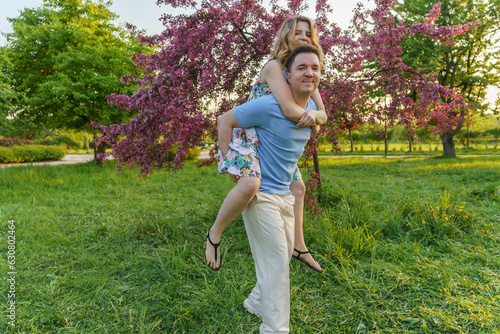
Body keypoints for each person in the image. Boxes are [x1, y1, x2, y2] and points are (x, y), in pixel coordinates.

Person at [205, 16, 327, 273]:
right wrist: (229, 161)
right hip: (250, 137)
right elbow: (290, 110)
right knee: (250, 184)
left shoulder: (305, 69)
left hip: (272, 140)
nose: (304, 37)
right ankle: (215, 234)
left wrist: (317, 117)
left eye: (309, 34)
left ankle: (299, 245)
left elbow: (323, 114)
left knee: (298, 188)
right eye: (299, 32)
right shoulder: (275, 66)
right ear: (286, 36)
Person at [218, 44, 323, 333]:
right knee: (277, 262)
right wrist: (234, 166)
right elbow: (223, 121)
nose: (309, 73)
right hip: (260, 195)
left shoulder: (313, 109)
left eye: (314, 68)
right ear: (286, 76)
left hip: (285, 196)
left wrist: (318, 117)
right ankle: (275, 329)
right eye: (301, 67)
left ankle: (256, 300)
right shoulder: (268, 105)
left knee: (283, 254)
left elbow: (320, 115)